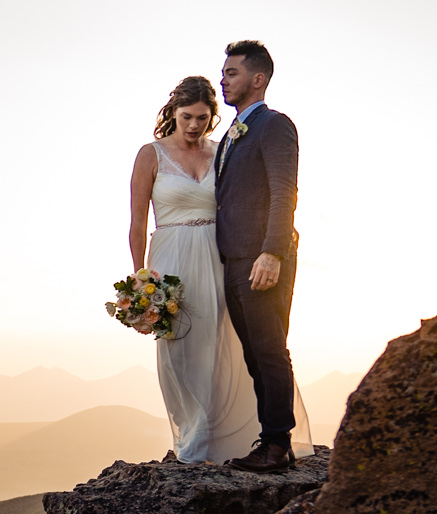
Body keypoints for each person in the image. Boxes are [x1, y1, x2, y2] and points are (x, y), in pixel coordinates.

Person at [127, 75, 310, 463]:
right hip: (171, 258)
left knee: (224, 345)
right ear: (172, 113)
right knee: (179, 350)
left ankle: (235, 440)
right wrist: (139, 275)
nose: (194, 125)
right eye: (187, 116)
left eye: (202, 117)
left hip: (218, 253)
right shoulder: (150, 154)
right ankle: (192, 438)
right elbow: (137, 221)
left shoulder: (223, 149)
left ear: (212, 117)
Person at [213, 39, 311, 471]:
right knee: (254, 352)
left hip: (262, 259)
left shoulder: (275, 125)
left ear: (258, 79)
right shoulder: (230, 137)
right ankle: (272, 440)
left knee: (270, 349)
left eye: (231, 73)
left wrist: (271, 253)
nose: (223, 80)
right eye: (223, 72)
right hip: (233, 260)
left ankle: (276, 444)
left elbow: (283, 192)